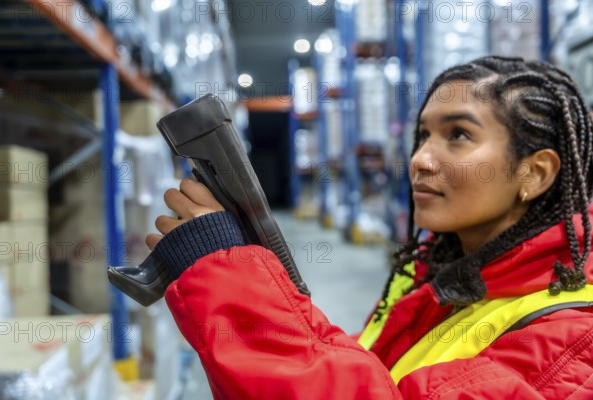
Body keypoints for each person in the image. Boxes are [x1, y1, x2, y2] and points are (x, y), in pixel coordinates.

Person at [145, 56, 593, 399]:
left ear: (534, 173)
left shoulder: (572, 343)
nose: (420, 159)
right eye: (423, 136)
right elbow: (364, 370)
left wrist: (233, 281)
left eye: (458, 135)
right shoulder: (441, 279)